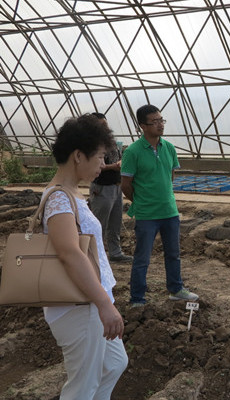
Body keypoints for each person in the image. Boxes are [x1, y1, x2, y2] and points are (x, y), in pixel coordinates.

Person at [42, 114, 127, 399]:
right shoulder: (58, 199)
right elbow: (70, 253)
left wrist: (104, 300)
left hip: (90, 300)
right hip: (79, 305)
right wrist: (103, 303)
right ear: (78, 156)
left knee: (114, 364)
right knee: (83, 386)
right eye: (100, 156)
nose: (103, 164)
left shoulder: (71, 194)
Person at [121, 105, 198, 306]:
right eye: (154, 122)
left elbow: (170, 176)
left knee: (173, 254)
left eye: (161, 120)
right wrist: (140, 201)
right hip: (147, 214)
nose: (160, 125)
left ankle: (176, 289)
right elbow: (126, 184)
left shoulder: (169, 148)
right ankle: (137, 297)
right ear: (142, 126)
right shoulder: (133, 152)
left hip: (169, 211)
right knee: (142, 258)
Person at [88, 112, 132, 263]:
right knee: (99, 222)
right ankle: (95, 254)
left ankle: (115, 252)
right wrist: (113, 166)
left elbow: (118, 158)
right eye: (102, 125)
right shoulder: (92, 144)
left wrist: (121, 162)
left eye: (106, 124)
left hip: (116, 186)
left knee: (115, 221)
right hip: (102, 187)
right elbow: (93, 166)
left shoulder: (111, 142)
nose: (106, 128)